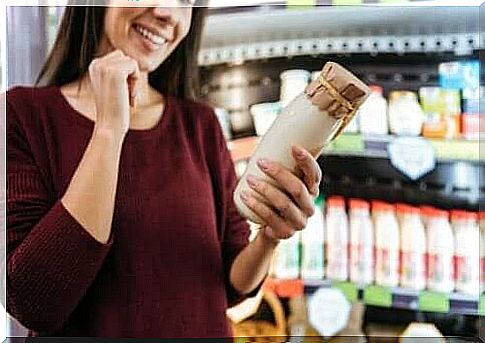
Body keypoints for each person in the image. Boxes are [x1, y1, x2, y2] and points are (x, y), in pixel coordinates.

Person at [4, 0, 321, 338]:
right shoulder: (23, 115)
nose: (169, 12)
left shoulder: (200, 125)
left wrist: (270, 237)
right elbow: (34, 302)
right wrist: (109, 130)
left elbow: (231, 284)